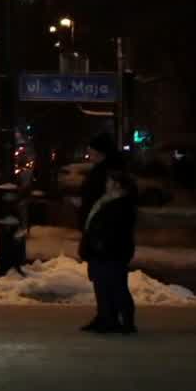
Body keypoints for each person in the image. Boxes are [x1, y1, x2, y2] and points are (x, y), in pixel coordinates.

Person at [80, 170, 139, 334]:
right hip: (100, 252)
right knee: (102, 286)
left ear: (118, 185)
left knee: (116, 286)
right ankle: (106, 318)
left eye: (109, 181)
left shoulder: (122, 204)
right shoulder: (106, 201)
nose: (106, 184)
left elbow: (115, 231)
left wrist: (101, 244)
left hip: (112, 253)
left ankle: (125, 321)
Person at [78, 133, 122, 229]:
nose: (90, 157)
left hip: (101, 224)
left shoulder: (104, 173)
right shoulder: (106, 170)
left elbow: (98, 196)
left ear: (101, 154)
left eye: (91, 153)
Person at [0, 185, 29, 279]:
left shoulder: (4, 206)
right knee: (12, 247)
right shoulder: (15, 204)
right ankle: (12, 268)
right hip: (11, 224)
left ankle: (4, 270)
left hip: (8, 224)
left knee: (7, 248)